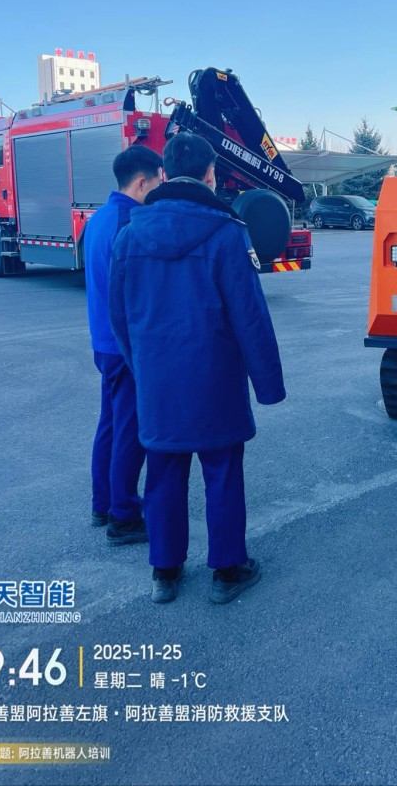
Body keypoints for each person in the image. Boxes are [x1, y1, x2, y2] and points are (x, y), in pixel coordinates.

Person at [109, 132, 285, 604]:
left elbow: (119, 317)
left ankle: (165, 572)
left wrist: (142, 367)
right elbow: (250, 317)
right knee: (222, 471)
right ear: (211, 176)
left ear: (165, 174)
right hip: (215, 381)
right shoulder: (227, 234)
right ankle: (228, 571)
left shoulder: (129, 236)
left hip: (158, 382)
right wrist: (268, 384)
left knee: (163, 470)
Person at [84, 144, 163, 544]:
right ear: (141, 182)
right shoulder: (129, 223)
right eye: (159, 182)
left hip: (104, 342)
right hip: (125, 346)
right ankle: (124, 516)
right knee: (130, 430)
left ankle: (103, 503)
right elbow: (134, 294)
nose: (161, 189)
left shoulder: (100, 218)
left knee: (112, 424)